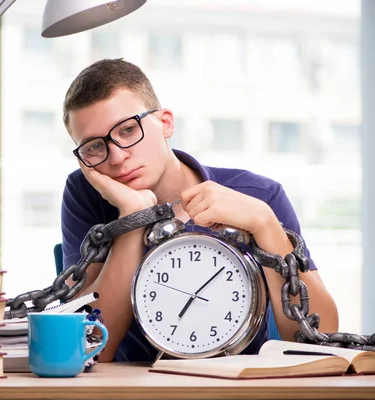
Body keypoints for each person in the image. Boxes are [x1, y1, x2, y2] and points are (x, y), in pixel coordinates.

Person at [60, 58, 339, 362]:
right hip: (132, 388)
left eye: (128, 130)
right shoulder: (87, 194)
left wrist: (265, 225)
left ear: (165, 123)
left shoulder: (258, 196)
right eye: (94, 147)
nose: (117, 157)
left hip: (235, 386)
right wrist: (133, 216)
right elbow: (87, 349)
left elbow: (319, 339)